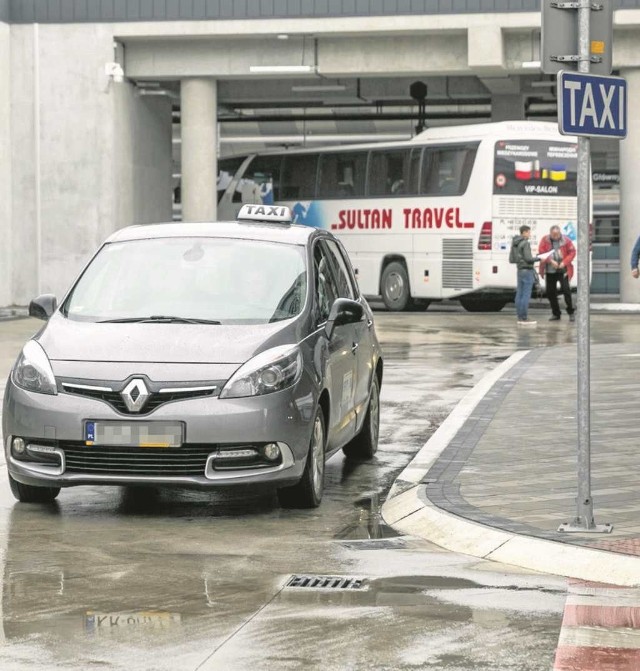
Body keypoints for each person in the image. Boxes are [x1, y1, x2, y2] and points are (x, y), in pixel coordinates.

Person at [538, 225, 576, 322]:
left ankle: (571, 312)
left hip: (563, 269)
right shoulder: (544, 240)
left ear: (560, 233)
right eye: (554, 235)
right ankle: (556, 313)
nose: (556, 236)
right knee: (550, 292)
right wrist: (551, 261)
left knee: (566, 290)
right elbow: (541, 252)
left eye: (557, 234)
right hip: (550, 269)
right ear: (550, 233)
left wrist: (564, 262)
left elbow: (572, 252)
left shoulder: (566, 240)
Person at [510, 224, 539, 326]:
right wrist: (539, 258)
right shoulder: (525, 243)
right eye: (529, 232)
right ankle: (524, 318)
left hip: (520, 269)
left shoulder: (516, 242)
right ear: (525, 232)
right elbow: (528, 258)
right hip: (527, 270)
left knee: (519, 294)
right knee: (526, 295)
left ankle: (519, 316)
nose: (530, 234)